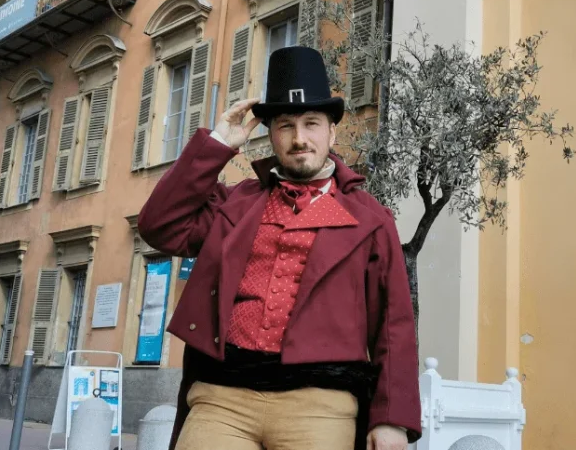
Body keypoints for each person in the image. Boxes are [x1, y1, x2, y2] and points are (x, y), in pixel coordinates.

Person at [138, 46, 421, 450]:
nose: (299, 138)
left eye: (311, 124)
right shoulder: (235, 202)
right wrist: (219, 144)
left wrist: (392, 418)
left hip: (321, 404)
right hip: (222, 399)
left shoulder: (372, 219)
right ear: (270, 134)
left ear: (332, 132)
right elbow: (159, 225)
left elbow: (393, 324)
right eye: (285, 126)